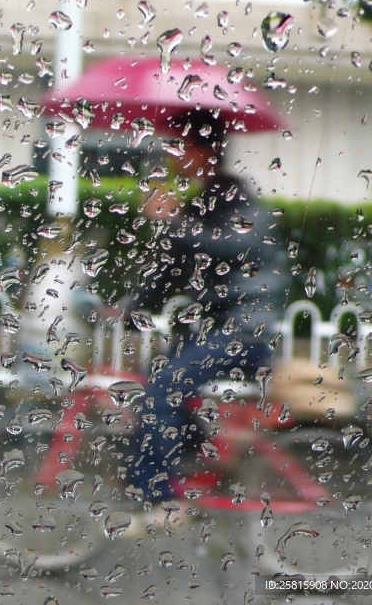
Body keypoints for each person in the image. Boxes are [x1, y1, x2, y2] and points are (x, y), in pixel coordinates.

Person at [124, 109, 289, 505]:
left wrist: (172, 221)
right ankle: (198, 455)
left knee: (161, 392)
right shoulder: (199, 204)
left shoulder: (239, 199)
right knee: (152, 380)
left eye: (179, 145)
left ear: (206, 150)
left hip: (245, 331)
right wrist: (127, 309)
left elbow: (233, 246)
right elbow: (172, 270)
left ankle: (158, 502)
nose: (171, 155)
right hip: (213, 332)